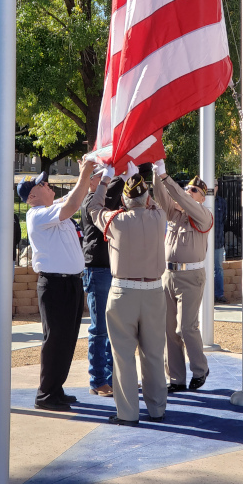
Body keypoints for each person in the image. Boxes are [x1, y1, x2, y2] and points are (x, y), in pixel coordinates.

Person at [89, 168, 168, 426]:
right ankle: (157, 409)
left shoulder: (116, 221)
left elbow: (94, 207)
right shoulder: (158, 217)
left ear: (123, 201)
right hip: (155, 292)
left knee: (123, 355)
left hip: (123, 293)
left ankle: (127, 413)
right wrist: (138, 177)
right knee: (154, 354)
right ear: (147, 198)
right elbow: (152, 202)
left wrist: (104, 180)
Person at [18, 159, 95, 412]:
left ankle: (56, 388)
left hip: (70, 284)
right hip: (55, 286)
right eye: (42, 184)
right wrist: (84, 173)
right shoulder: (38, 214)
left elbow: (74, 198)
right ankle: (45, 394)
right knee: (56, 340)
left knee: (67, 340)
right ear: (32, 195)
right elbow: (73, 202)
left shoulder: (52, 209)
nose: (47, 184)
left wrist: (91, 177)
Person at [152, 160, 213, 393]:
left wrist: (167, 177)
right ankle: (176, 378)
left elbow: (182, 200)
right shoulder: (175, 215)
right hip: (168, 274)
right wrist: (157, 175)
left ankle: (200, 369)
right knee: (169, 329)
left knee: (186, 328)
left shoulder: (203, 215)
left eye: (194, 190)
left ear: (202, 198)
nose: (188, 192)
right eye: (187, 188)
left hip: (191, 276)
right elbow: (162, 196)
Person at [80, 167, 124, 398]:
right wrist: (120, 175)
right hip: (98, 269)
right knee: (99, 330)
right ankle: (97, 380)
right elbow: (112, 193)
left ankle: (111, 377)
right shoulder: (90, 201)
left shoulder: (104, 199)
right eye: (101, 175)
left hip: (110, 269)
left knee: (112, 327)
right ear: (90, 180)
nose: (106, 179)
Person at [214, 180, 228, 303]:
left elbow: (224, 219)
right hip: (203, 244)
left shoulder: (222, 202)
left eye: (214, 185)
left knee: (218, 268)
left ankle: (219, 294)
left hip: (218, 242)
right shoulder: (200, 202)